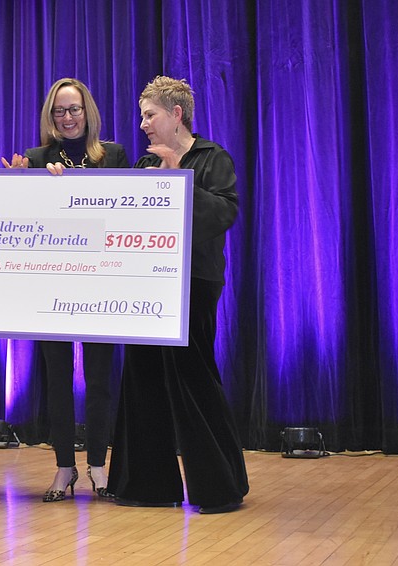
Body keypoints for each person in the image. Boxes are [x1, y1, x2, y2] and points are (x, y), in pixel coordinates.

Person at [106, 76, 249, 513]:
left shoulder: (211, 157)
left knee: (192, 375)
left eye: (150, 115)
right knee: (142, 375)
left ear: (176, 114)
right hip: (146, 285)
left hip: (194, 283)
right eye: (142, 116)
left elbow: (225, 211)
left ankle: (219, 487)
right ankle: (145, 486)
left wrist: (178, 183)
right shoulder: (143, 165)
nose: (143, 124)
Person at [2, 78, 129, 502]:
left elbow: (126, 212)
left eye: (74, 109)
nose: (68, 117)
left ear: (87, 112)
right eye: (59, 110)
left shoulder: (113, 156)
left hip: (100, 285)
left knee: (99, 381)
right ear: (50, 116)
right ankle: (63, 468)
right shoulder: (36, 159)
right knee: (56, 380)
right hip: (50, 286)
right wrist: (17, 186)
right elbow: (21, 221)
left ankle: (97, 466)